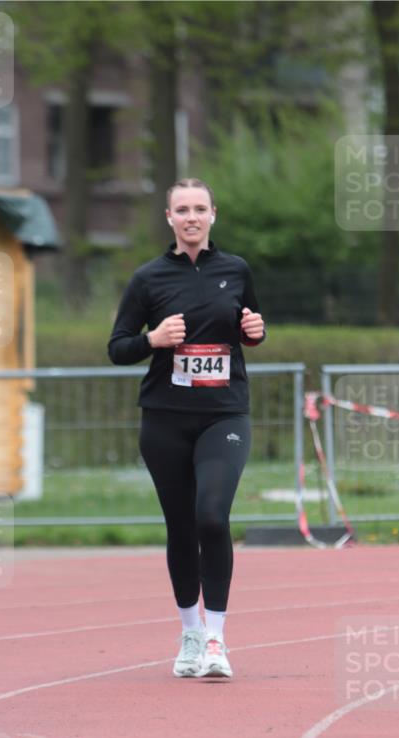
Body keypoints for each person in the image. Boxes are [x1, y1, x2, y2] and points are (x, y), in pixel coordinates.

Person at [108, 178, 265, 679]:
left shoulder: (235, 270)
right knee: (181, 525)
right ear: (169, 218)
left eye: (200, 208)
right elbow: (117, 347)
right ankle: (190, 634)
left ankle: (217, 638)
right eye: (182, 209)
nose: (192, 217)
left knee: (212, 516)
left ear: (213, 215)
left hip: (224, 414)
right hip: (165, 419)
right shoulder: (148, 279)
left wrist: (257, 332)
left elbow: (249, 327)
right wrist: (152, 338)